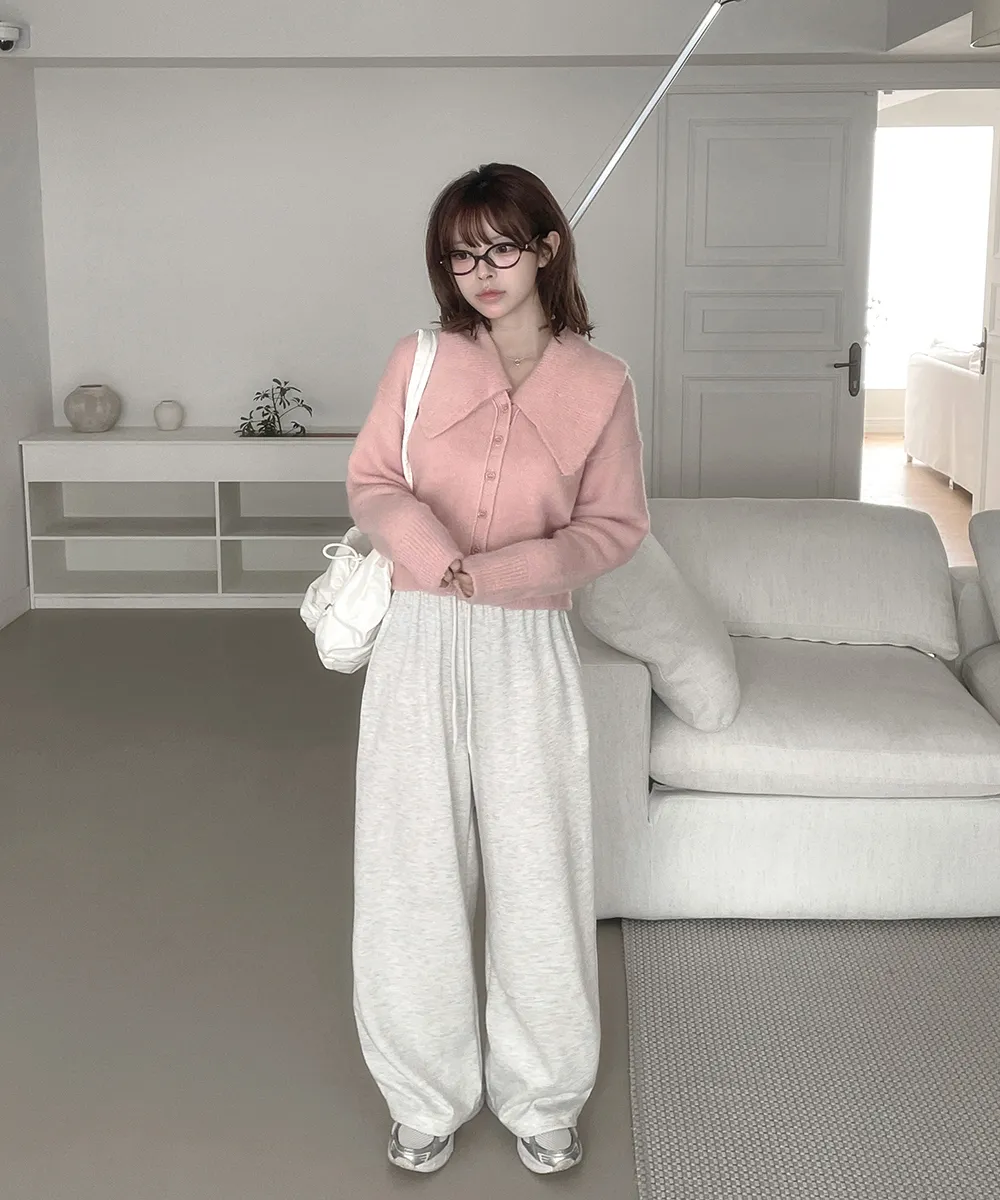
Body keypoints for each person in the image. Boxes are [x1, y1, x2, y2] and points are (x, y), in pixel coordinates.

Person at [345, 161, 649, 1176]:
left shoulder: (602, 384)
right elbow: (373, 481)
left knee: (539, 871)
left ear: (547, 248)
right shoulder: (420, 359)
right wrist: (434, 557)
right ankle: (423, 1094)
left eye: (500, 249)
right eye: (460, 255)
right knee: (410, 873)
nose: (479, 272)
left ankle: (545, 1093)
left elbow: (613, 527)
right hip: (417, 636)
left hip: (528, 645)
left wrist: (508, 572)